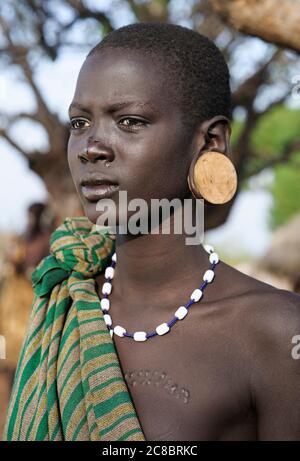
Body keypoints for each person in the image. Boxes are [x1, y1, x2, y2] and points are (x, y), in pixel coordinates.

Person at [3, 22, 300, 441]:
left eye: (129, 121)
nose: (91, 147)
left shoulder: (277, 331)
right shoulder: (65, 306)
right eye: (79, 123)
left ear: (210, 142)